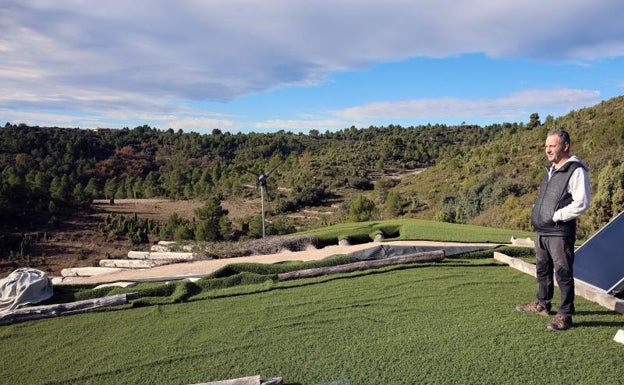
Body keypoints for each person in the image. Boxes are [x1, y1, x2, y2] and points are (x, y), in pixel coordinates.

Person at [516, 129, 590, 331]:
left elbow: (582, 203)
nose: (548, 150)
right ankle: (542, 304)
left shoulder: (575, 170)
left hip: (559, 232)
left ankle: (565, 315)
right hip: (542, 231)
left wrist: (556, 216)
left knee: (563, 273)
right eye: (546, 146)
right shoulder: (550, 169)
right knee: (542, 269)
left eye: (552, 145)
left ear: (565, 146)